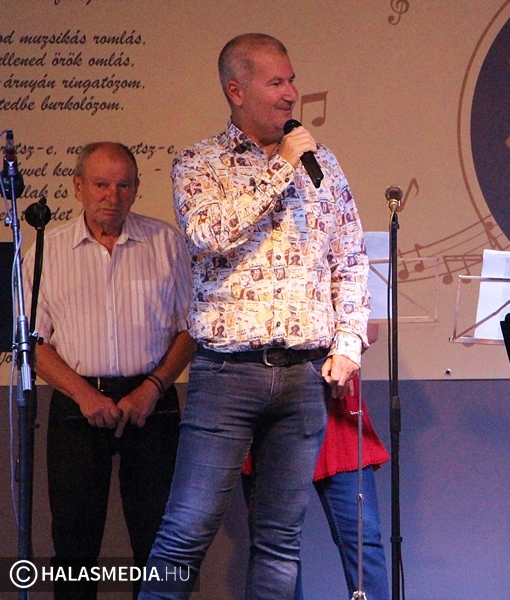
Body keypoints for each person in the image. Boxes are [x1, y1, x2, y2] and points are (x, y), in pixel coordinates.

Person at [140, 32, 369, 599]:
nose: (291, 94)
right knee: (186, 530)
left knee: (280, 541)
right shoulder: (199, 162)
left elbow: (349, 257)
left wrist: (347, 342)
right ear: (236, 91)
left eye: (292, 80)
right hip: (227, 375)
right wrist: (280, 168)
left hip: (304, 376)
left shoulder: (323, 163)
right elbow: (208, 234)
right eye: (276, 82)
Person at [24, 141, 195, 599]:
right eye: (101, 184)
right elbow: (31, 342)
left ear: (136, 189)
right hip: (76, 402)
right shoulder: (46, 250)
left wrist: (153, 387)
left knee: (159, 542)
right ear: (78, 187)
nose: (111, 196)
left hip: (152, 402)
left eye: (123, 186)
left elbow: (192, 328)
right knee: (73, 546)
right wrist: (84, 395)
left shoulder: (167, 243)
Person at [241, 323, 390, 600]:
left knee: (363, 538)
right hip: (270, 395)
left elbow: (369, 329)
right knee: (275, 547)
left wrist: (338, 351)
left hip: (333, 397)